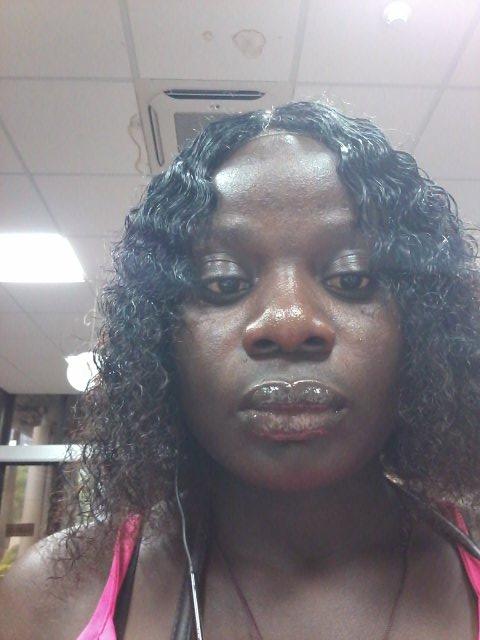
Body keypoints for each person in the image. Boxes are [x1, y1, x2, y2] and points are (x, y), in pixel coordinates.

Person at [1, 101, 480, 640]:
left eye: (351, 278)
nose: (289, 321)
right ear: (159, 341)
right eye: (223, 282)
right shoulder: (52, 600)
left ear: (423, 328)